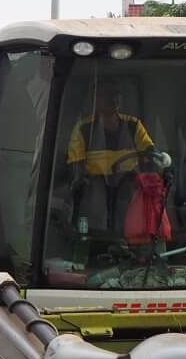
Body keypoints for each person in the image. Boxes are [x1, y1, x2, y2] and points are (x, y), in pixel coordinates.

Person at [66, 79, 155, 239]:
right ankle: (96, 243)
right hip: (95, 182)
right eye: (106, 94)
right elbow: (76, 162)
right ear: (96, 99)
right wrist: (80, 180)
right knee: (95, 200)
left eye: (116, 94)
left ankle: (129, 243)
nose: (113, 98)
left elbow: (149, 151)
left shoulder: (134, 124)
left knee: (131, 198)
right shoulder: (83, 127)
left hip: (126, 181)